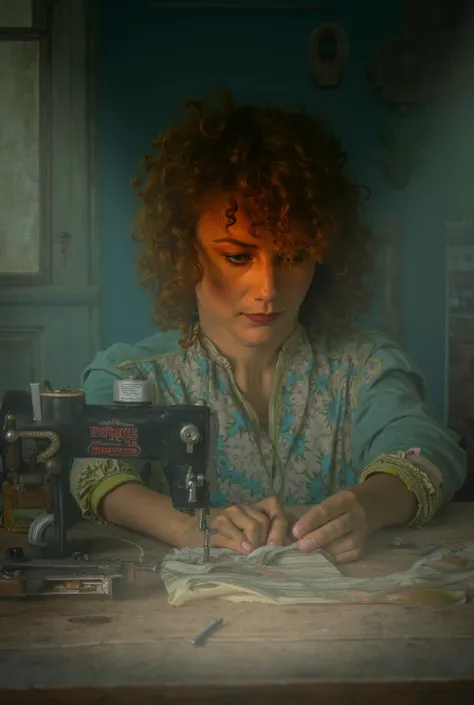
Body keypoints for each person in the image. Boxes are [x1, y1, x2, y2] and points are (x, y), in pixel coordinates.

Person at [71, 92, 466, 564]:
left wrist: (367, 507)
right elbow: (94, 467)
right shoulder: (130, 376)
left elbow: (426, 452)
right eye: (238, 256)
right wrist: (186, 526)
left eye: (294, 256)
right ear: (182, 251)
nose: (268, 289)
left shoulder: (366, 369)